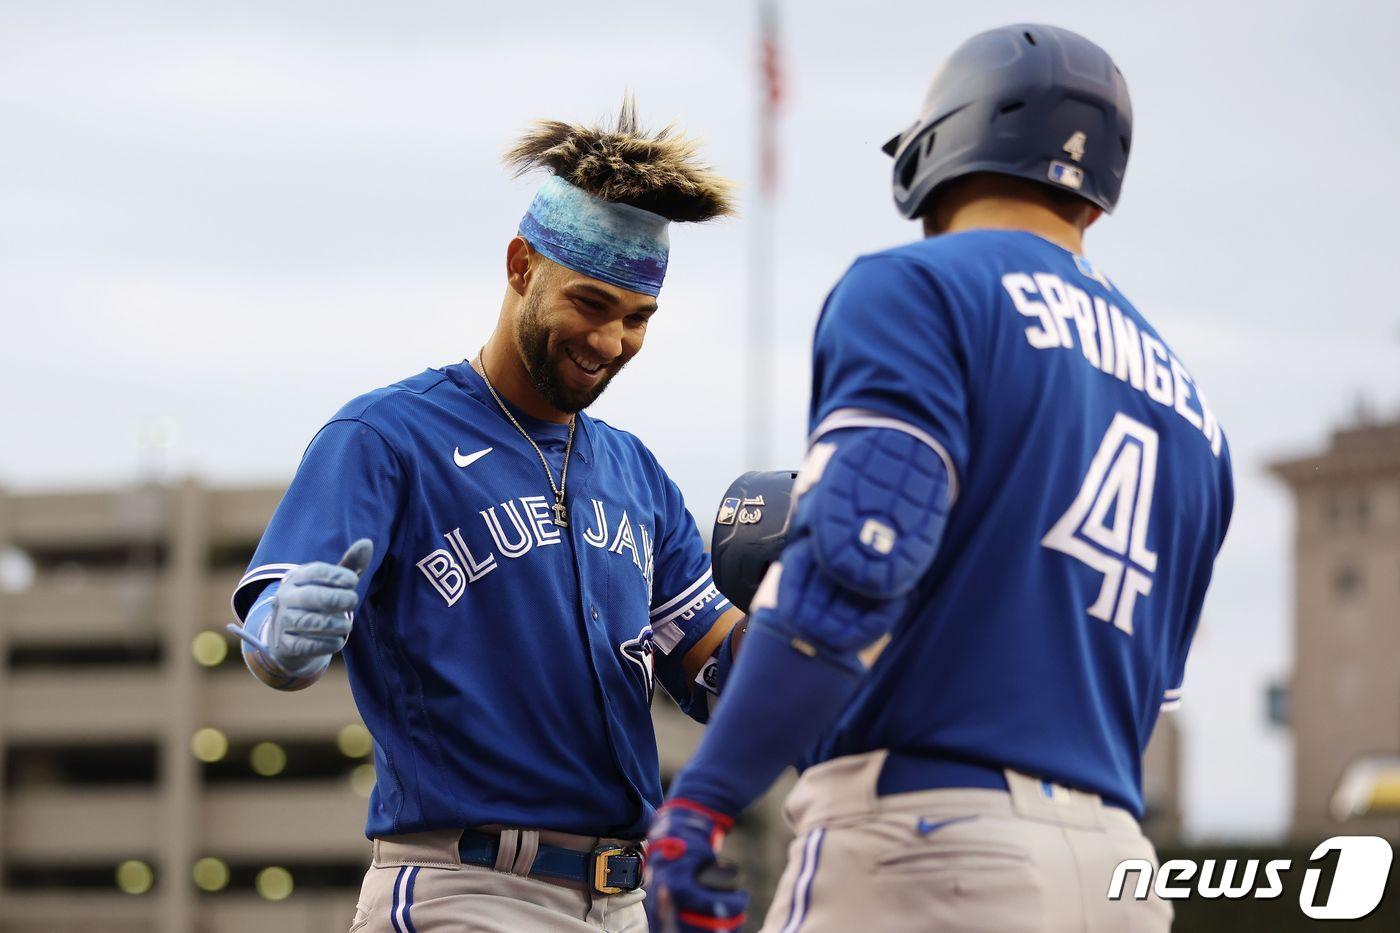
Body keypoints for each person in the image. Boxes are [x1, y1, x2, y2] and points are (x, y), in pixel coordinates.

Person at [646, 24, 1234, 933]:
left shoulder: (919, 287)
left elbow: (853, 573)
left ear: (945, 142)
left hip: (931, 843)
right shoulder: (1195, 411)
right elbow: (1144, 696)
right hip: (1119, 870)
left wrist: (703, 801)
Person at [228, 101, 747, 932]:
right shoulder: (387, 434)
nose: (611, 340)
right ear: (520, 266)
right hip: (465, 890)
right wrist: (279, 638)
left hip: (625, 898)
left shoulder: (636, 471)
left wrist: (814, 626)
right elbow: (274, 628)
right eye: (590, 302)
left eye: (638, 317)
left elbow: (717, 671)